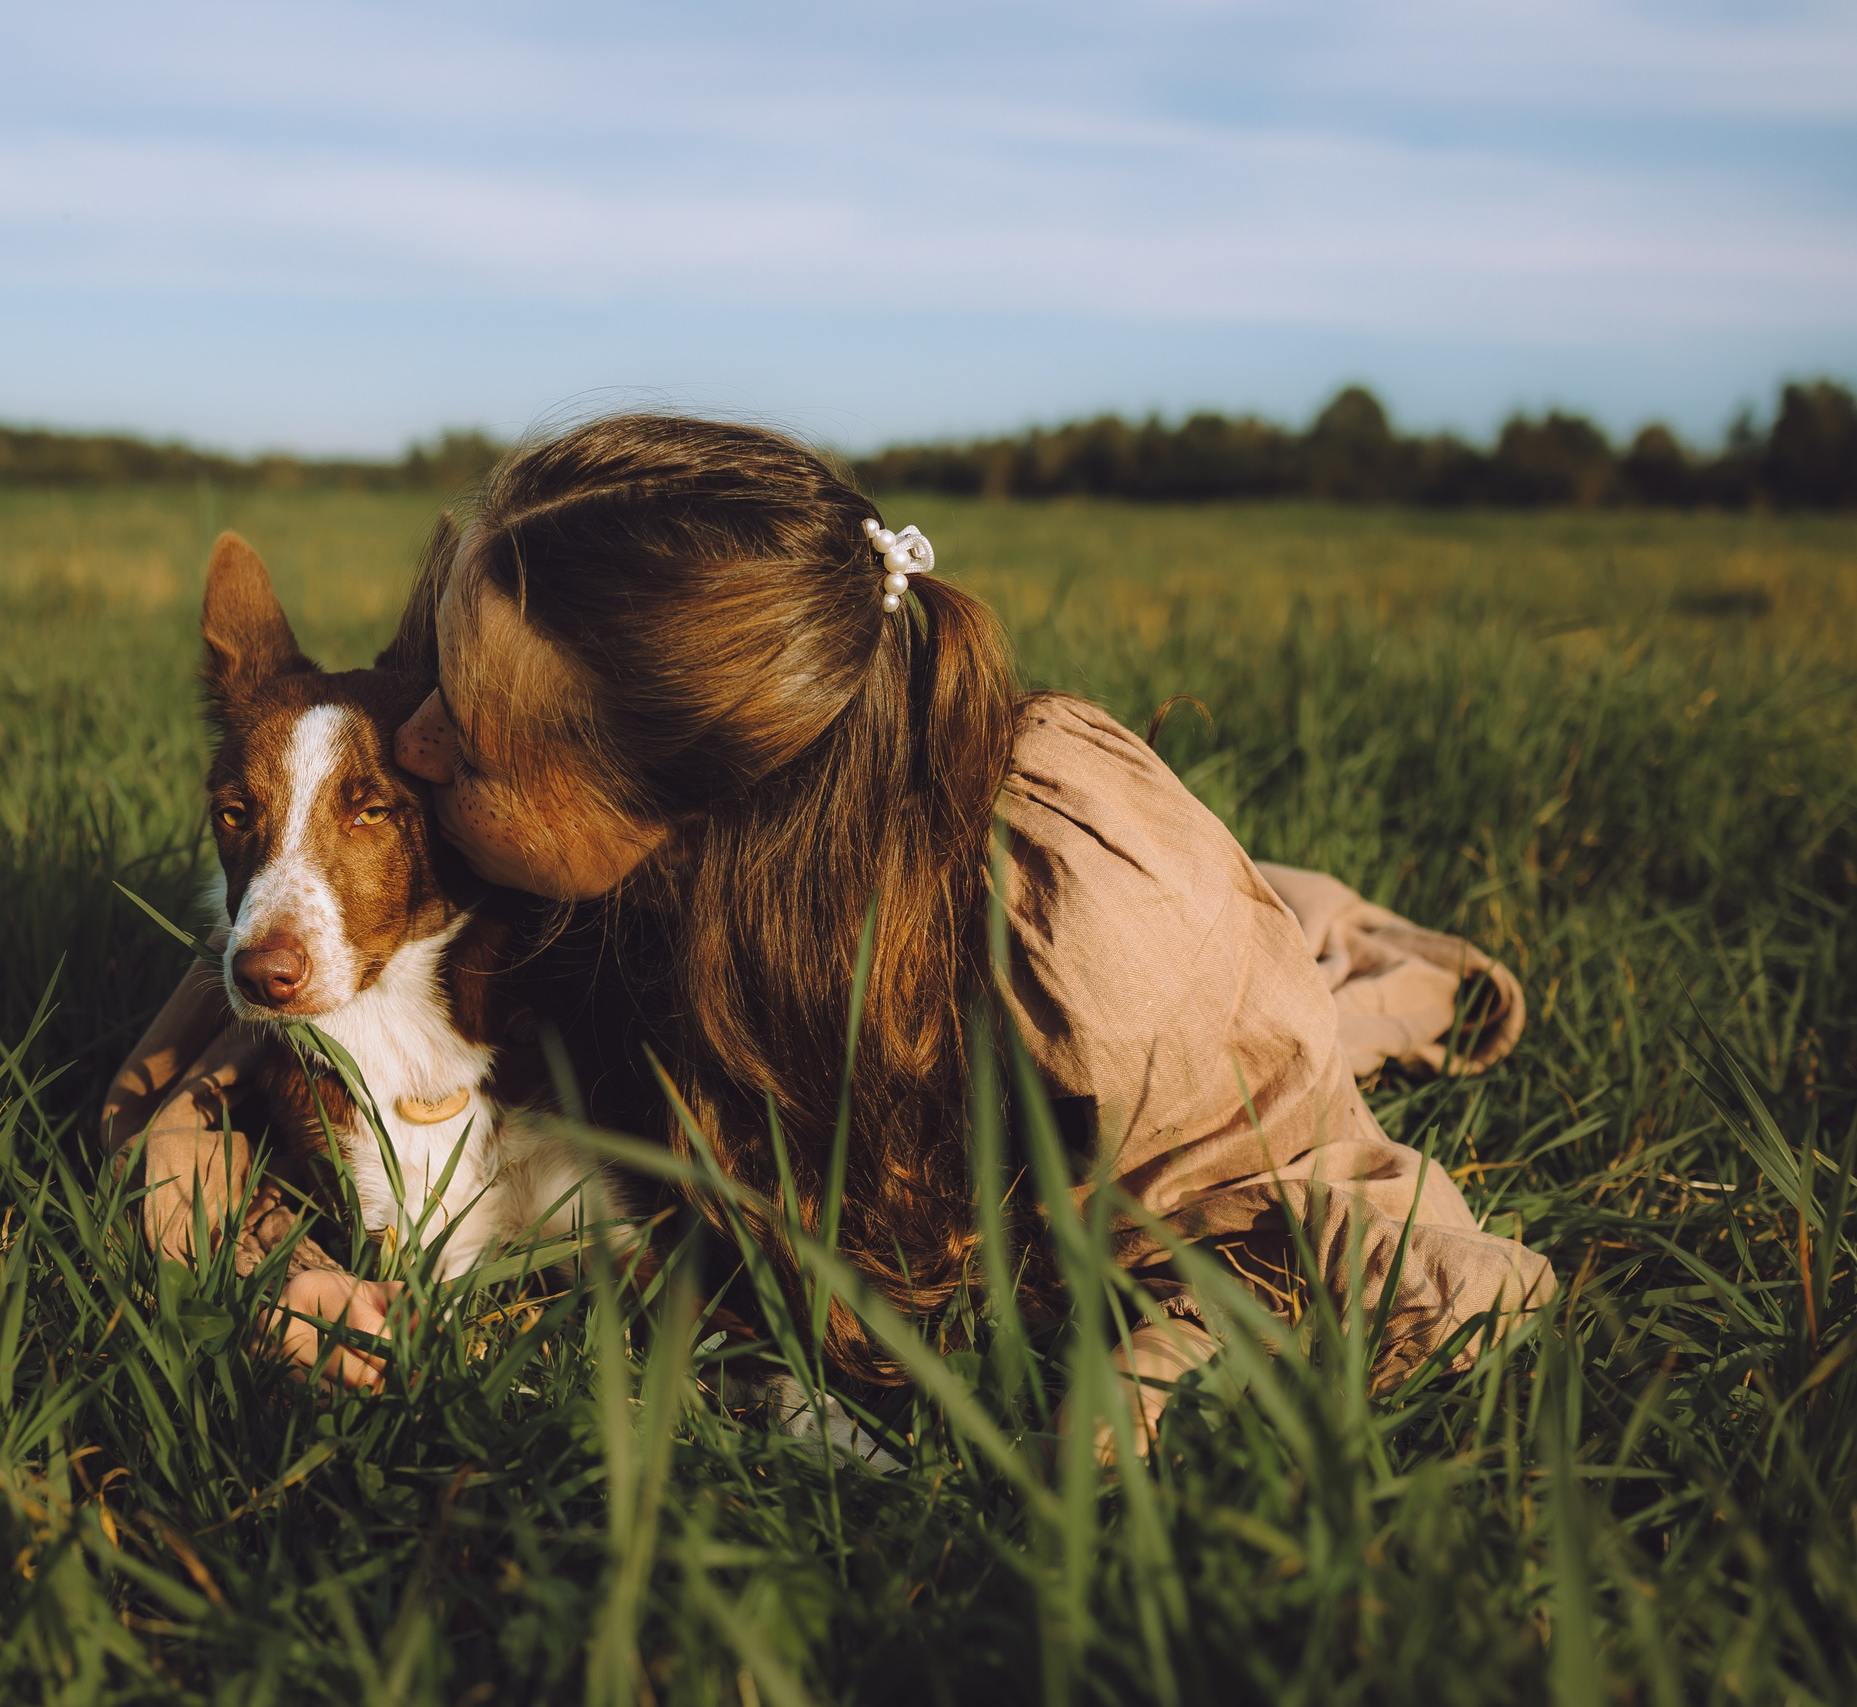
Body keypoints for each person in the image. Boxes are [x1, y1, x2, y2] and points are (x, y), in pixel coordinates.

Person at [101, 415, 1557, 1428]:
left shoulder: (1096, 946)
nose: (401, 747)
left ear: (641, 796)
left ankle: (1300, 916)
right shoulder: (522, 872)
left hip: (1127, 999)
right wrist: (258, 1270)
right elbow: (192, 1087)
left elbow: (1340, 1234)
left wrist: (1118, 1423)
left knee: (1246, 1008)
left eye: (459, 739)